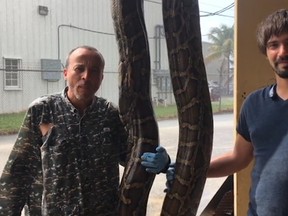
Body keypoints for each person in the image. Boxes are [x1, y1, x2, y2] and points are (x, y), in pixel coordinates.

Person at [0, 45, 169, 215]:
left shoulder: (110, 114)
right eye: (79, 69)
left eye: (94, 71)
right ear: (66, 73)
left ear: (101, 78)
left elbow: (132, 157)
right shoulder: (42, 110)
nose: (86, 76)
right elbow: (18, 172)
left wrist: (164, 162)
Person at [166, 9, 288, 216]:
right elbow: (238, 159)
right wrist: (189, 171)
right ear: (266, 52)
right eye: (274, 45)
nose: (283, 51)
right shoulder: (253, 104)